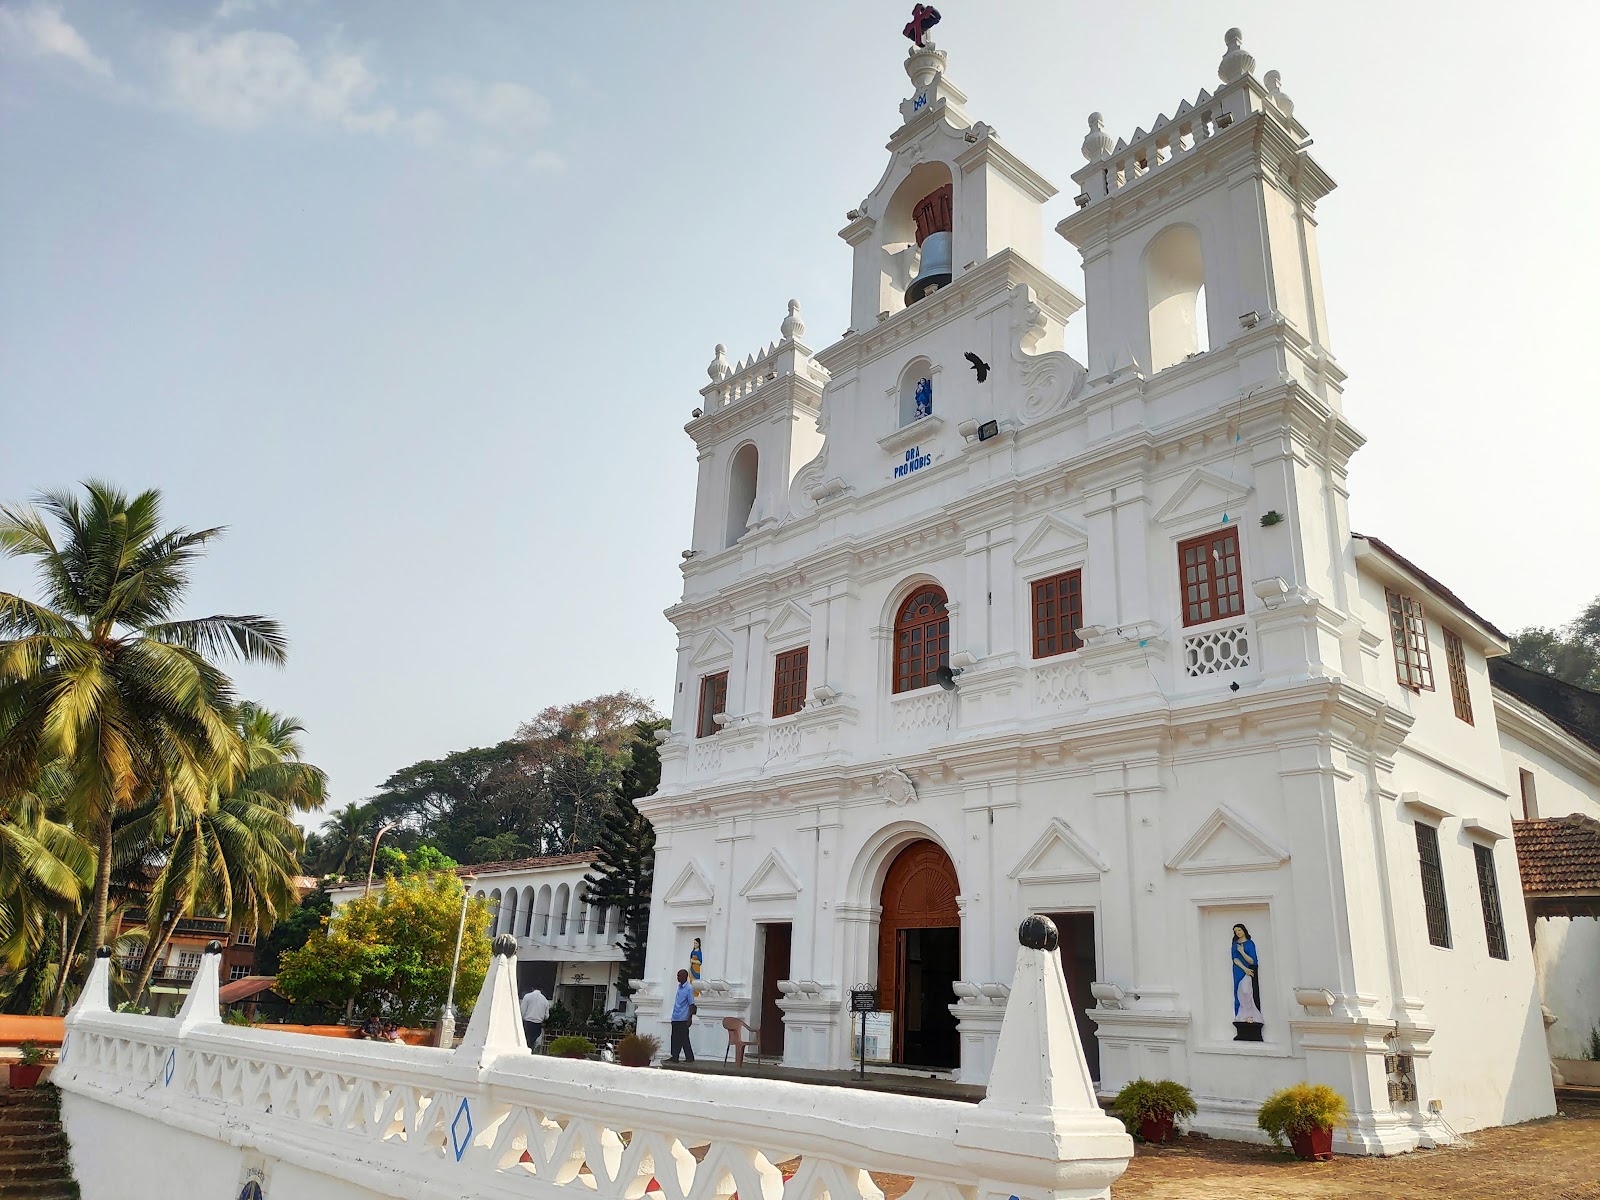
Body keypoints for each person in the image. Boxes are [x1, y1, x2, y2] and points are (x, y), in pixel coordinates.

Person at [668, 968, 696, 1063]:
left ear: (685, 976)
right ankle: (674, 1056)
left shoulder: (689, 988)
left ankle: (689, 1057)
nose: (678, 977)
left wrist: (690, 1018)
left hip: (683, 1017)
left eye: (679, 976)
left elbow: (691, 1004)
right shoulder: (679, 987)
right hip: (676, 1016)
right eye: (677, 976)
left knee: (684, 1038)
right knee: (674, 1038)